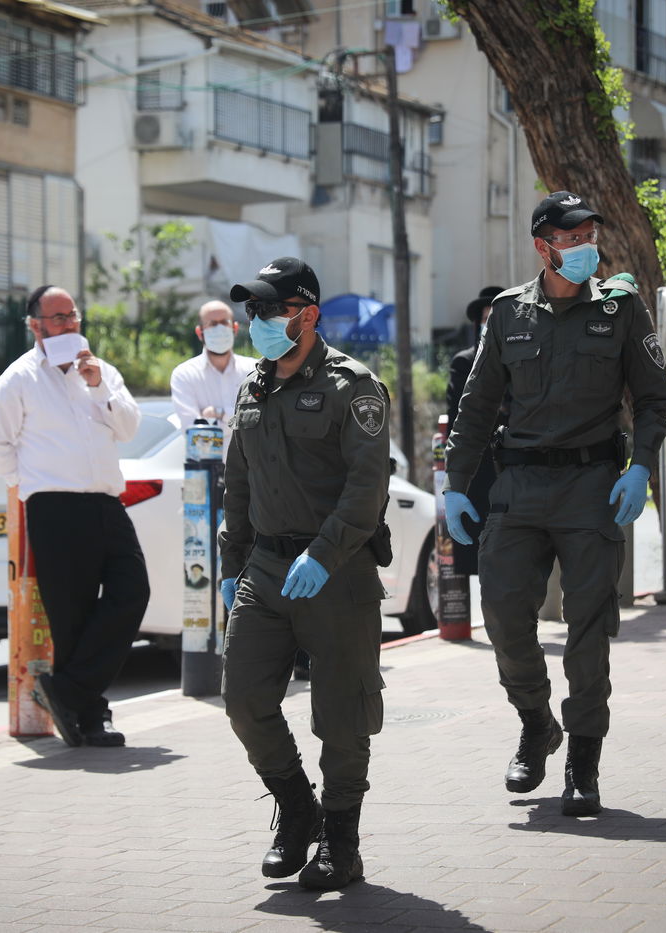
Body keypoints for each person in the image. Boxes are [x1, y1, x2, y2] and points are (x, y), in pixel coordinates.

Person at [442, 191, 666, 817]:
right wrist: (456, 481)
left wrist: (640, 468)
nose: (584, 248)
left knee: (588, 630)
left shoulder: (621, 310)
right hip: (517, 490)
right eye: (571, 239)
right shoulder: (509, 313)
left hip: (592, 487)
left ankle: (583, 762)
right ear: (544, 247)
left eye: (590, 235)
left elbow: (654, 398)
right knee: (504, 618)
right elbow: (478, 403)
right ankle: (536, 722)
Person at [218, 256, 392, 890]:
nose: (256, 321)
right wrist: (230, 562)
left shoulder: (355, 386)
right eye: (252, 311)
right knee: (242, 698)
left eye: (269, 310)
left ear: (308, 315)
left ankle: (340, 840)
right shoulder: (252, 387)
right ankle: (297, 808)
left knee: (342, 714)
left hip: (336, 570)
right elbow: (238, 482)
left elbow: (367, 488)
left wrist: (323, 553)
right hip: (264, 568)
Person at [0, 284, 151, 748]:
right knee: (70, 615)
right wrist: (34, 482)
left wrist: (97, 387)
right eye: (57, 318)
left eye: (72, 316)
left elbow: (130, 427)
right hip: (53, 506)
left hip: (105, 502)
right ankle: (89, 719)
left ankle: (68, 690)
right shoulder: (17, 380)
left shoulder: (101, 372)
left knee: (133, 591)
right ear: (34, 326)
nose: (68, 325)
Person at [444, 285, 506, 576]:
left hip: (518, 470)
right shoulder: (465, 362)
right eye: (486, 317)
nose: (490, 322)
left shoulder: (525, 358)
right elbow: (461, 419)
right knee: (483, 558)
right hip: (480, 472)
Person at [170, 299, 257, 430]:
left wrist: (220, 413)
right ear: (200, 332)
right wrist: (240, 417)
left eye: (224, 322)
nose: (219, 328)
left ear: (235, 328)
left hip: (249, 451)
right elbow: (194, 431)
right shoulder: (184, 374)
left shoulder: (253, 370)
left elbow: (261, 419)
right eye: (213, 324)